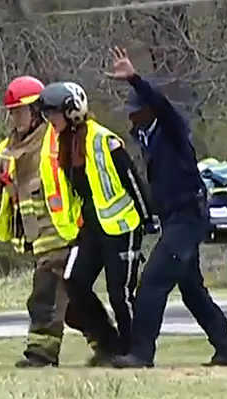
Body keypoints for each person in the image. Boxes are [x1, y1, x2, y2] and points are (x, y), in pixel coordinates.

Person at [0, 76, 110, 368]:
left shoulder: (55, 138)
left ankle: (41, 354)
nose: (13, 118)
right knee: (72, 305)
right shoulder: (9, 148)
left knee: (44, 295)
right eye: (11, 112)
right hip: (39, 239)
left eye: (18, 111)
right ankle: (111, 345)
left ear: (36, 110)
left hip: (63, 235)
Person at [105, 45, 227, 369]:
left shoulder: (172, 128)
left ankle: (141, 353)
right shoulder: (146, 136)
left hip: (188, 217)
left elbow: (161, 104)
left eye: (136, 109)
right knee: (191, 289)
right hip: (173, 219)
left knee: (153, 281)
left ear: (149, 110)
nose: (131, 115)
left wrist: (135, 79)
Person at [35, 80, 156, 362]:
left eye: (53, 114)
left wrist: (149, 218)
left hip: (121, 226)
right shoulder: (65, 145)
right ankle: (108, 341)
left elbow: (133, 181)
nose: (49, 120)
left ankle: (134, 350)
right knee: (74, 281)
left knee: (120, 292)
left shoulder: (104, 141)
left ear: (72, 111)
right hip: (90, 227)